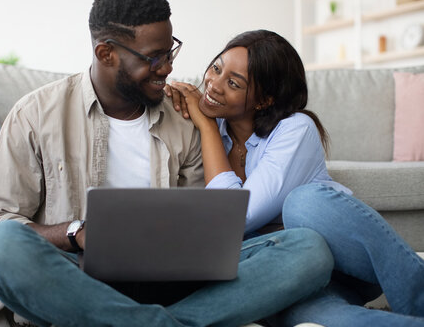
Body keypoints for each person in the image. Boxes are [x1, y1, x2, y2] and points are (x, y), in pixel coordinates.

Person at [0, 0, 335, 327]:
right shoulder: (35, 115)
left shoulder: (183, 118)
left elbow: (211, 226)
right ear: (106, 53)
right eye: (154, 58)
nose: (167, 68)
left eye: (170, 52)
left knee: (309, 249)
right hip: (79, 275)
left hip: (174, 279)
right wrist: (77, 232)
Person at [167, 29, 424, 327]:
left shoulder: (295, 129)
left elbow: (238, 216)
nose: (213, 84)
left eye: (233, 82)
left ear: (264, 100)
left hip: (343, 260)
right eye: (216, 68)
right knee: (317, 319)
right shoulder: (203, 130)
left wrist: (208, 129)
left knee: (304, 202)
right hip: (288, 269)